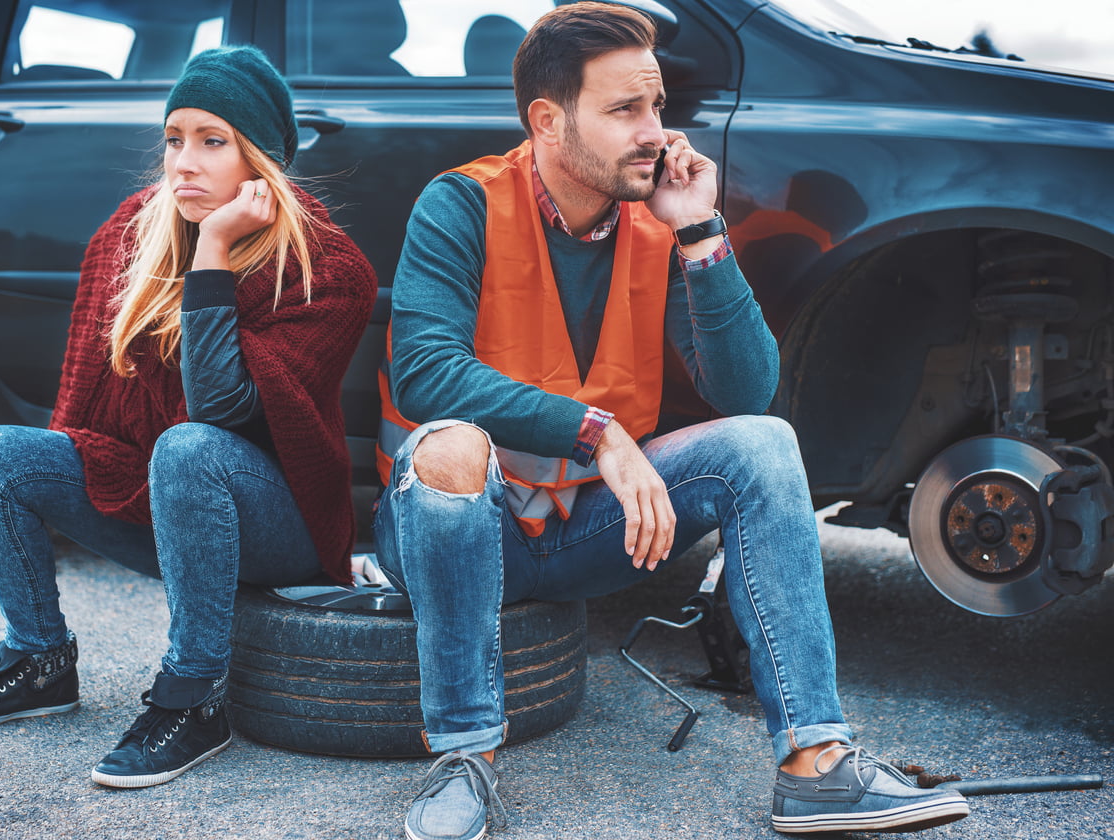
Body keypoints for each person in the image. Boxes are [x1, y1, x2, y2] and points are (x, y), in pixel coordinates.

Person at [374, 5, 969, 838]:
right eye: (625, 110)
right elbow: (426, 372)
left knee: (762, 447)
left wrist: (699, 232)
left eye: (656, 106)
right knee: (450, 447)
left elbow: (746, 395)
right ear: (548, 120)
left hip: (581, 533)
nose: (654, 132)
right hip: (455, 531)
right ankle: (465, 760)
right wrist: (599, 434)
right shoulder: (460, 204)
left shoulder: (655, 223)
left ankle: (815, 765)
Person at [0, 45, 377, 789]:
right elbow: (84, 418)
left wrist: (215, 252)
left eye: (212, 141)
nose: (183, 162)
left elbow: (218, 407)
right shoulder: (131, 233)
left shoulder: (328, 270)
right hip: (162, 500)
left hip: (276, 525)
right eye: (174, 138)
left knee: (190, 448)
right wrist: (63, 477)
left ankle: (194, 698)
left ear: (259, 160)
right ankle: (37, 662)